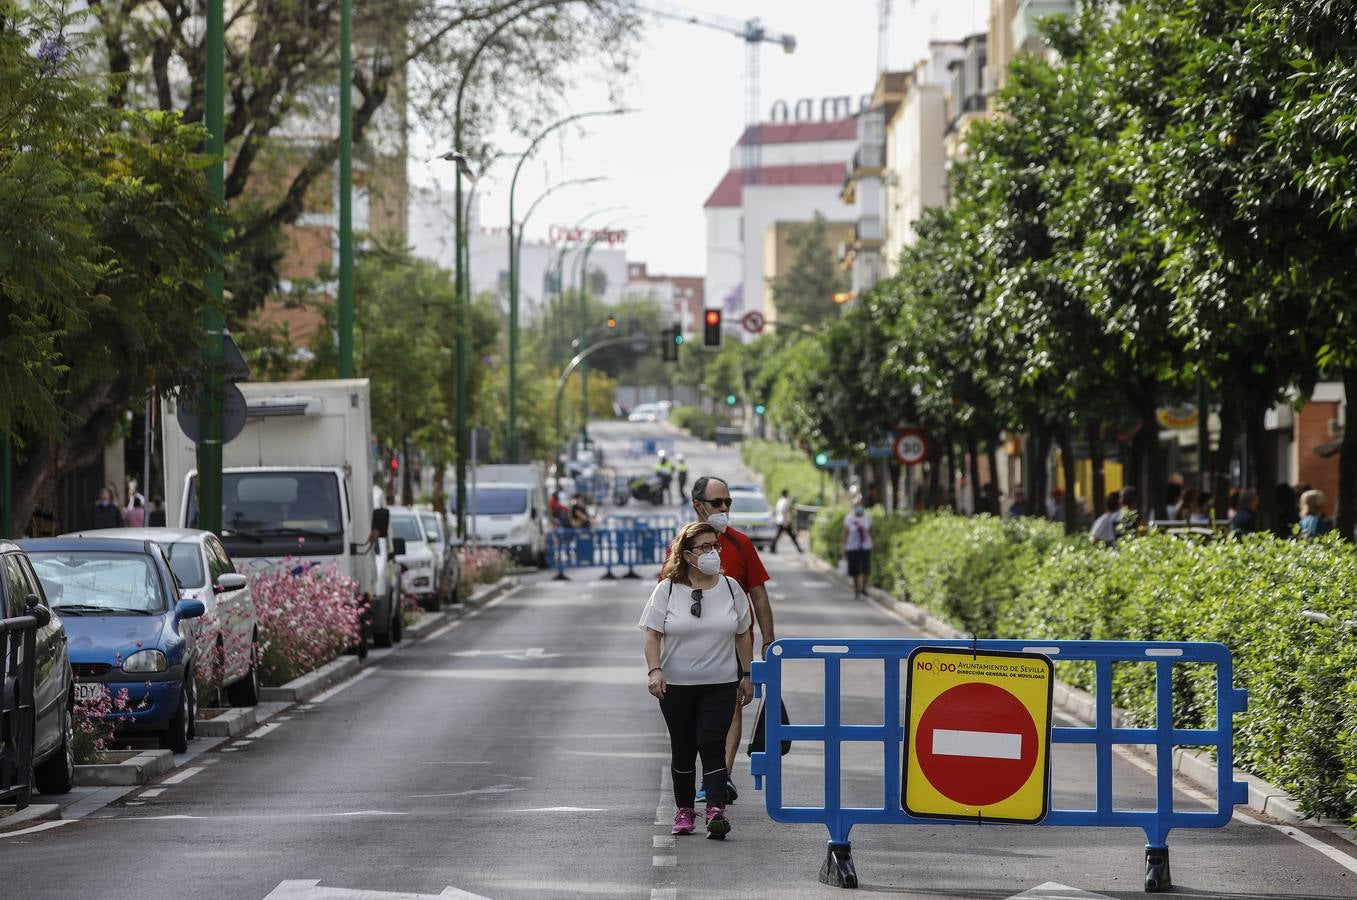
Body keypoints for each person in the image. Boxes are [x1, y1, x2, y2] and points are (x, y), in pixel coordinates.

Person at [641, 521, 753, 840]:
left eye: (715, 547)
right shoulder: (667, 589)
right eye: (704, 547)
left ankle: (716, 809)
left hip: (719, 684)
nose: (712, 553)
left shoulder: (732, 588)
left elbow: (743, 633)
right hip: (676, 687)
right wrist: (655, 670)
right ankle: (685, 810)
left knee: (711, 742)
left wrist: (746, 674)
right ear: (688, 555)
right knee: (684, 747)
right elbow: (652, 634)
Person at [686, 475, 772, 805]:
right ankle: (710, 773)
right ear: (698, 505)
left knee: (733, 708)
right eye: (717, 503)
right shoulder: (682, 546)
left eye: (728, 503)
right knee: (698, 716)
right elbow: (666, 596)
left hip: (735, 645)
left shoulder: (741, 544)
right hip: (692, 648)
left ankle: (719, 779)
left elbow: (760, 596)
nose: (724, 509)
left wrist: (769, 641)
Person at [843, 502, 873, 599]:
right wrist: (844, 546)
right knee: (854, 569)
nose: (859, 509)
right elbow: (846, 532)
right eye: (857, 507)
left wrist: (875, 543)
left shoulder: (867, 517)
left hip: (865, 546)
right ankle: (856, 589)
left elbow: (872, 530)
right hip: (852, 547)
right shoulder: (849, 518)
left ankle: (863, 588)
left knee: (865, 568)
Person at [770, 489, 802, 553]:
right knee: (792, 536)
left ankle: (772, 547)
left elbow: (777, 511)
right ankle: (799, 549)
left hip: (779, 520)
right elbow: (785, 511)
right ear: (786, 494)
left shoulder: (779, 501)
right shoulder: (785, 501)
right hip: (784, 521)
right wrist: (786, 522)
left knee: (778, 535)